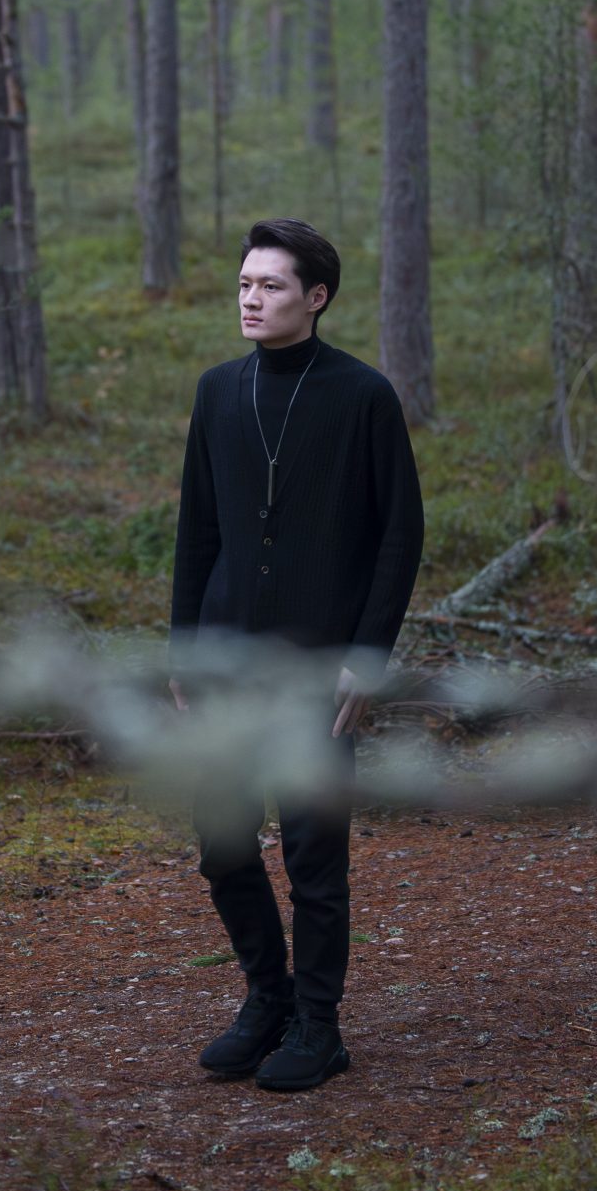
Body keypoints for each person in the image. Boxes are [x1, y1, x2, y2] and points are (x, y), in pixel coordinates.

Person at [169, 218, 424, 1093]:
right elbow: (196, 530)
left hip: (320, 668)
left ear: (315, 298)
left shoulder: (363, 397)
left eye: (270, 285)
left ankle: (320, 1026)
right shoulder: (216, 392)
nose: (250, 298)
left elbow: (399, 534)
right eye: (244, 283)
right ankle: (267, 999)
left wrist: (368, 653)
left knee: (313, 857)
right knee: (222, 844)